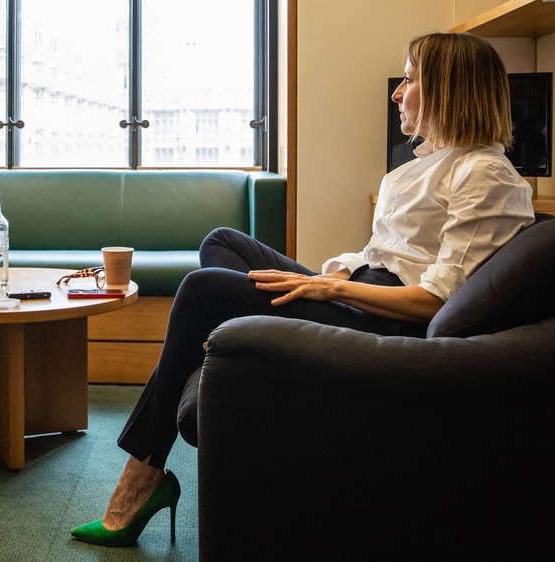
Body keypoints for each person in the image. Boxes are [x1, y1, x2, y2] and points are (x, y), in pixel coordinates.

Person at [70, 31, 537, 546]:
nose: (397, 92)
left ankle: (144, 475)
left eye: (409, 78)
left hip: (385, 324)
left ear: (448, 89)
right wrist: (332, 276)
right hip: (361, 291)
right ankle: (223, 347)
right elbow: (384, 253)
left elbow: (437, 299)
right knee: (222, 242)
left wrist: (327, 292)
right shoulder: (430, 164)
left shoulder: (486, 174)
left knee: (203, 290)